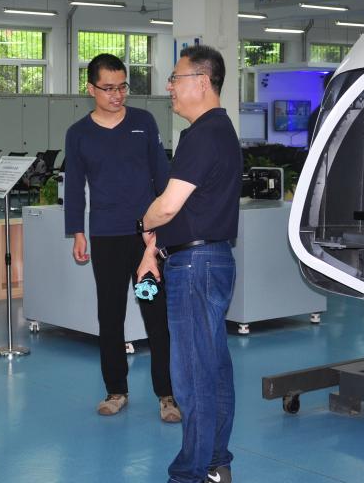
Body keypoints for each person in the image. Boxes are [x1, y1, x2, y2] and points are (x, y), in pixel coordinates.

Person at [136, 45, 243, 483]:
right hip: (210, 260)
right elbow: (191, 209)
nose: (169, 88)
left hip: (196, 267)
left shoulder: (202, 134)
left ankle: (190, 474)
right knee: (213, 368)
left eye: (175, 79)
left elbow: (168, 206)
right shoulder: (221, 130)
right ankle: (216, 462)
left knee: (193, 374)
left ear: (202, 82)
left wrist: (143, 223)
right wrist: (155, 249)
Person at [64, 53, 180, 422]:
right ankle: (116, 390)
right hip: (107, 238)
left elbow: (162, 176)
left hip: (145, 241)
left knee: (154, 313)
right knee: (110, 316)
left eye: (122, 87)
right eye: (108, 88)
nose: (117, 95)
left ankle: (167, 394)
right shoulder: (79, 134)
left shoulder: (143, 123)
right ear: (91, 89)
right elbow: (74, 187)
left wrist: (161, 230)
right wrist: (77, 232)